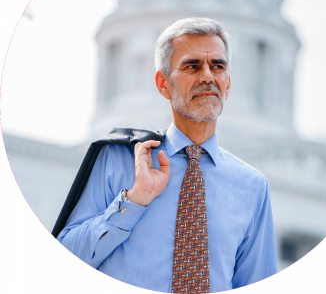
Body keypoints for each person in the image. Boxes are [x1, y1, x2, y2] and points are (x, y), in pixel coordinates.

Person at [57, 17, 278, 292]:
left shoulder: (253, 187)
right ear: (163, 83)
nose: (208, 76)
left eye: (217, 66)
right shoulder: (118, 159)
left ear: (228, 84)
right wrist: (133, 201)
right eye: (192, 65)